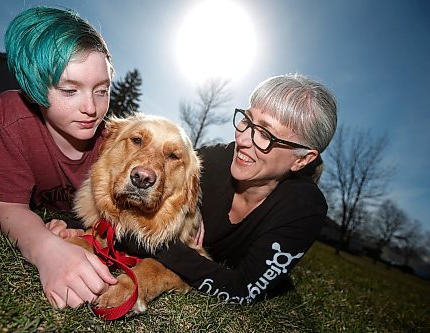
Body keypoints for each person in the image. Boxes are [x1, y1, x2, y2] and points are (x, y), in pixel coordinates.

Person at [117, 73, 338, 304]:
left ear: (301, 160)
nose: (243, 140)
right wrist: (184, 211)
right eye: (247, 120)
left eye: (265, 134)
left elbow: (243, 289)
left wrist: (166, 247)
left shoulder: (304, 209)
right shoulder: (209, 161)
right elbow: (127, 217)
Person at [0, 6, 117, 309]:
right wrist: (46, 250)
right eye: (70, 90)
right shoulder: (14, 114)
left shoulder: (113, 143)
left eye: (102, 90)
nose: (91, 108)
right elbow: (9, 207)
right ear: (34, 89)